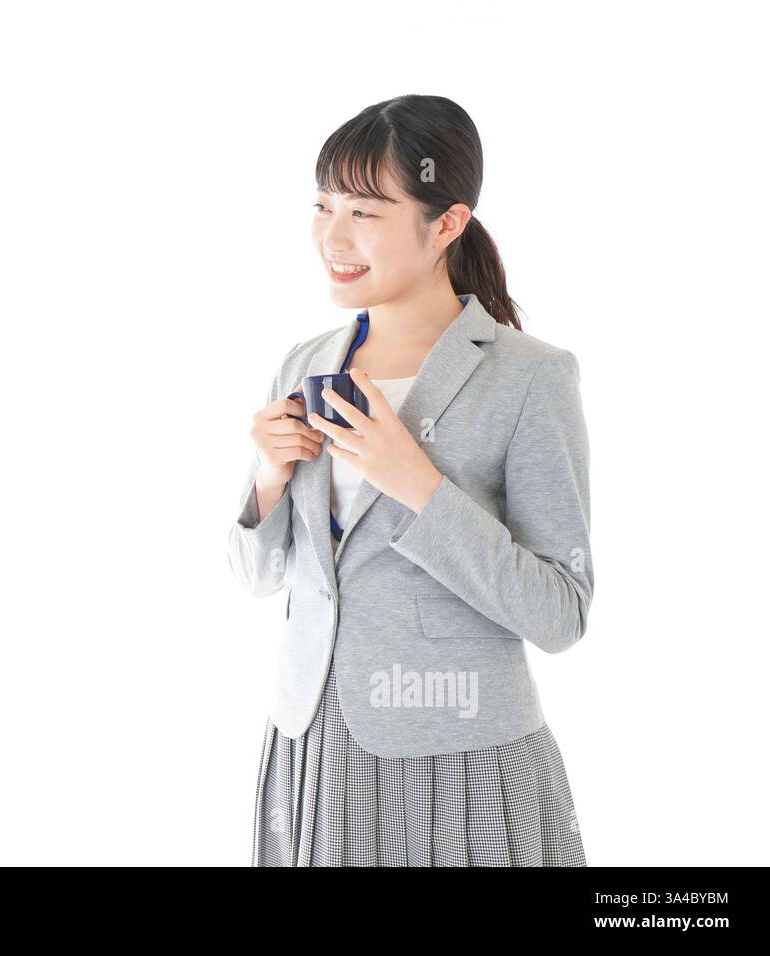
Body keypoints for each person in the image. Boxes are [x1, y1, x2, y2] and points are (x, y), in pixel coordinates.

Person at [230, 95, 592, 866]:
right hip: (312, 747)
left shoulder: (530, 377)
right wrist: (267, 481)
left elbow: (561, 611)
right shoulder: (305, 362)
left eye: (365, 212)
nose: (333, 237)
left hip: (460, 758)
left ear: (447, 224)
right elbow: (260, 580)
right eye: (323, 206)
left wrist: (419, 487)